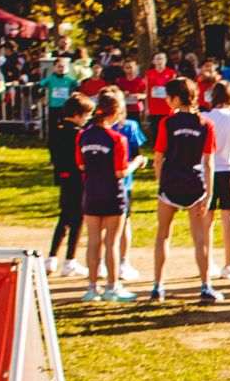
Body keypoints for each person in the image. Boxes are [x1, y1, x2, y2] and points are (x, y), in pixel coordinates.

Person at [148, 77, 220, 303]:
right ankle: (206, 286)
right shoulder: (205, 124)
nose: (166, 101)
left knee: (163, 235)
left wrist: (161, 181)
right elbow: (208, 161)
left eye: (168, 97)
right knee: (200, 238)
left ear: (176, 99)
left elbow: (158, 157)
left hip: (170, 182)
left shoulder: (167, 123)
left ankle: (158, 287)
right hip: (194, 183)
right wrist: (209, 192)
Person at [77, 89, 141, 302]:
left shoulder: (83, 136)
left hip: (91, 192)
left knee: (93, 240)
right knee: (112, 242)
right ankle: (112, 286)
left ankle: (92, 288)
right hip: (113, 193)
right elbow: (120, 172)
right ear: (115, 113)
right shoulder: (117, 138)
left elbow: (81, 165)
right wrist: (137, 163)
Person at [45, 90, 91, 276]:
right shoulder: (78, 134)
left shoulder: (56, 129)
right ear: (77, 115)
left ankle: (52, 258)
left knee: (64, 217)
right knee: (78, 218)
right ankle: (70, 260)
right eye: (86, 115)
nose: (87, 119)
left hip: (62, 177)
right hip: (77, 179)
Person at [204, 79, 230, 281]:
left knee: (207, 218)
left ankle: (207, 261)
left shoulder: (204, 117)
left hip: (207, 171)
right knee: (229, 219)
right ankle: (229, 264)